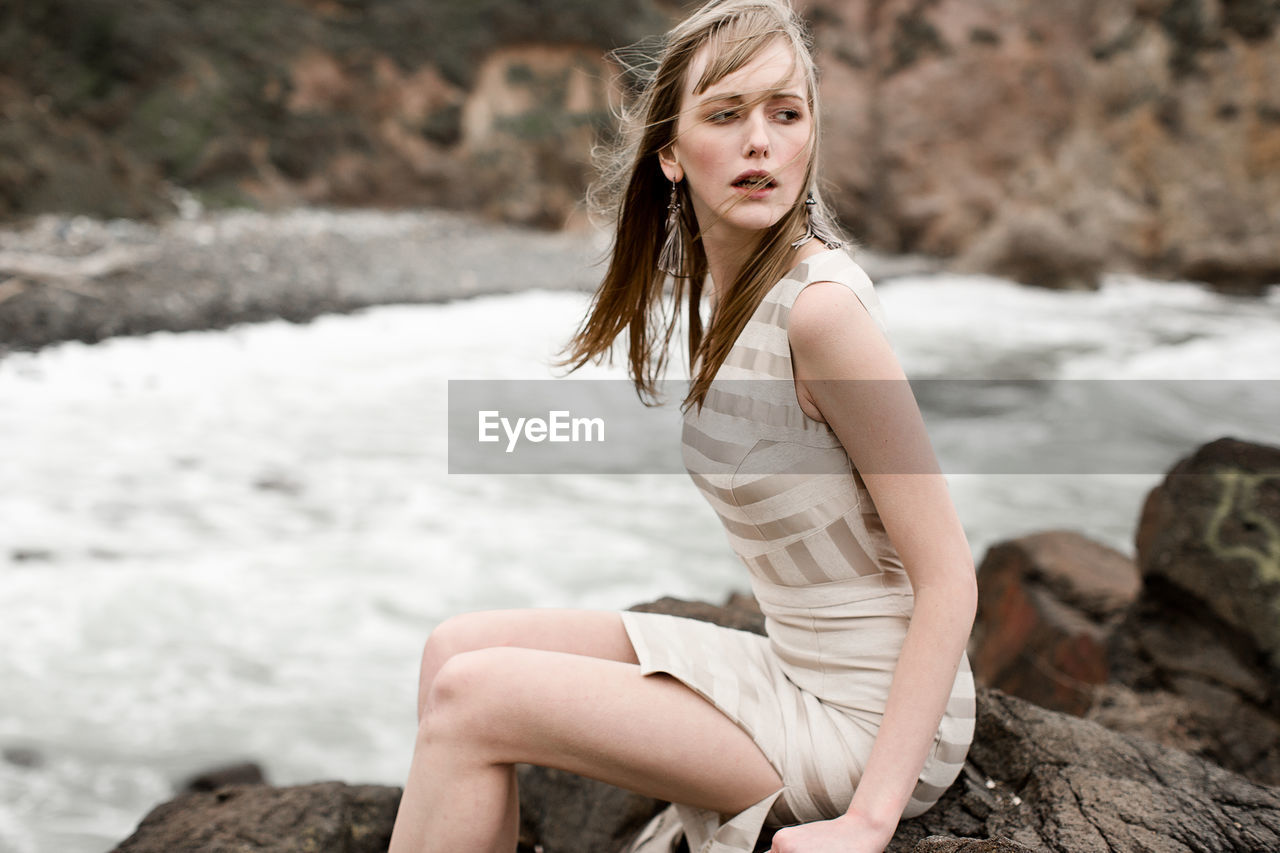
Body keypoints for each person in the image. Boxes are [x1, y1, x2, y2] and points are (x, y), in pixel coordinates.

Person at [387, 1, 976, 851]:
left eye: (786, 113)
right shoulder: (734, 296)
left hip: (862, 718)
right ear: (671, 153)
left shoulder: (822, 313)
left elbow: (950, 572)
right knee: (454, 649)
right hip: (792, 664)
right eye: (726, 115)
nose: (760, 142)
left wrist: (867, 821)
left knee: (471, 699)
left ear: (811, 136)